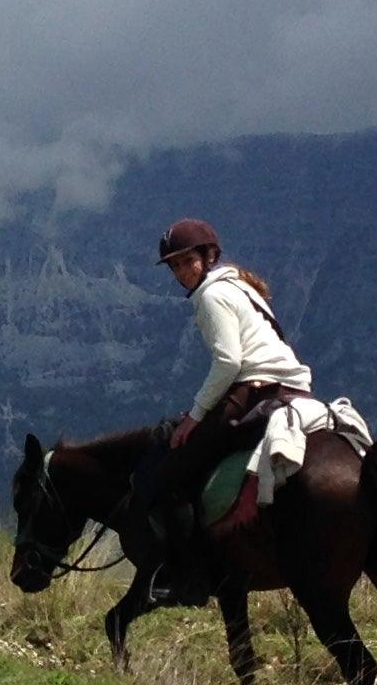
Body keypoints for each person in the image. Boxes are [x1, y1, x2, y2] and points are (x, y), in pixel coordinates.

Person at [129, 217, 313, 599]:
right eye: (175, 266)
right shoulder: (238, 285)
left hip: (252, 390)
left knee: (170, 477)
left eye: (187, 261)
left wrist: (194, 416)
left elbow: (229, 361)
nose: (181, 272)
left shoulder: (211, 296)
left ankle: (191, 577)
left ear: (209, 255)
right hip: (290, 387)